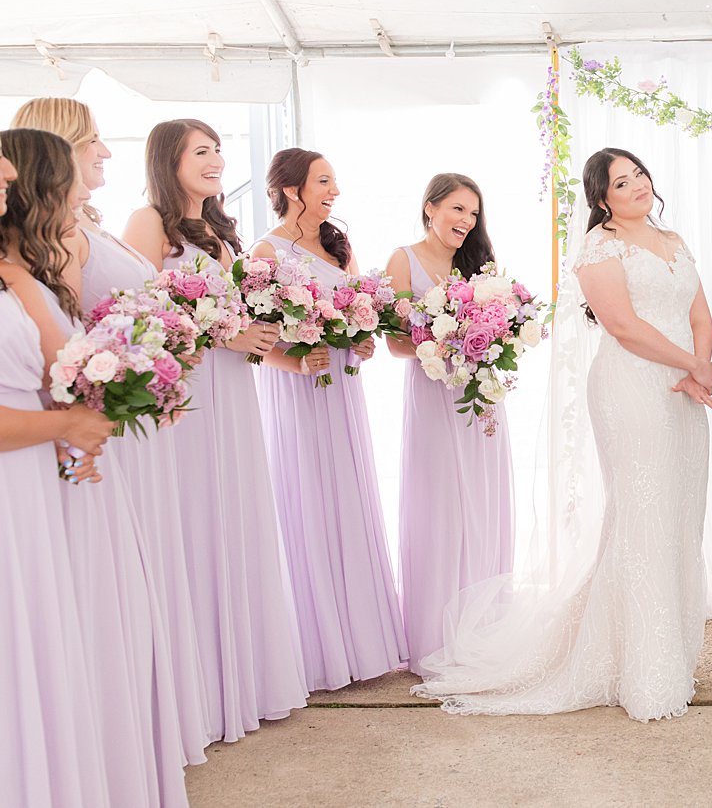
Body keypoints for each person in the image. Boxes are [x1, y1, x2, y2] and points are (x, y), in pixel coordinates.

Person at [415, 147, 712, 722]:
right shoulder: (598, 248)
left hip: (683, 389)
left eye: (639, 174)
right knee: (643, 515)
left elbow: (701, 312)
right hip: (632, 390)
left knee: (680, 513)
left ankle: (670, 651)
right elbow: (624, 327)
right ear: (601, 198)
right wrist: (689, 364)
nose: (635, 186)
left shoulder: (674, 240)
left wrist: (700, 366)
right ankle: (642, 669)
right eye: (620, 181)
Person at [18, 97, 214, 767]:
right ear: (60, 147)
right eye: (94, 139)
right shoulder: (58, 243)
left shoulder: (87, 226)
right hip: (88, 432)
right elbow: (67, 347)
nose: (105, 152)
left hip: (121, 421)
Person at [124, 118, 309, 743]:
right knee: (193, 516)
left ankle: (239, 681)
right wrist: (225, 334)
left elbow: (230, 311)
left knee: (234, 515)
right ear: (167, 160)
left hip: (231, 386)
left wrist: (258, 336)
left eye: (219, 150)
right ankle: (194, 687)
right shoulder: (147, 222)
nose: (215, 160)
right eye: (200, 151)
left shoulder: (222, 233)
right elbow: (139, 310)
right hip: (188, 388)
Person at [251, 148, 407, 691]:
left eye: (333, 180)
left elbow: (360, 306)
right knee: (308, 497)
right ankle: (317, 648)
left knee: (348, 494)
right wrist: (294, 360)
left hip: (341, 386)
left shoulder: (339, 245)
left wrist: (362, 339)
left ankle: (363, 639)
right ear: (292, 189)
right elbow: (250, 339)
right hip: (298, 391)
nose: (333, 190)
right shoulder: (265, 251)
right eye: (323, 181)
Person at [0, 139, 116, 807]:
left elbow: (52, 360)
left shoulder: (11, 271)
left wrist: (82, 406)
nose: (9, 173)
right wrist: (63, 427)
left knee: (33, 658)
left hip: (29, 489)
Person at [386, 173, 515, 666]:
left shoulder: (479, 265)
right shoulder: (405, 259)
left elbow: (503, 327)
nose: (467, 221)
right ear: (430, 207)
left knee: (483, 505)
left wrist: (492, 340)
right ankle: (434, 636)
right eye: (458, 209)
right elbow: (396, 343)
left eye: (474, 214)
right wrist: (445, 343)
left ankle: (484, 625)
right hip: (433, 395)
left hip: (481, 398)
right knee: (439, 506)